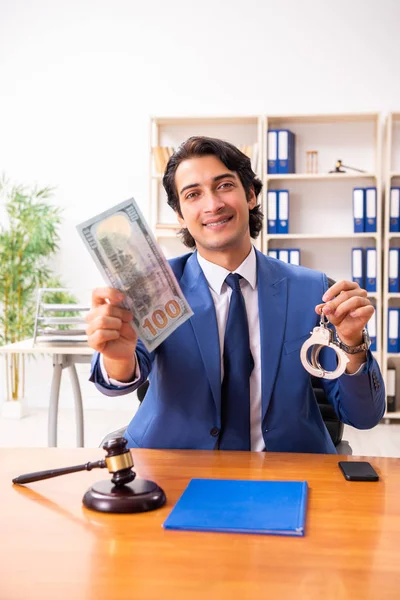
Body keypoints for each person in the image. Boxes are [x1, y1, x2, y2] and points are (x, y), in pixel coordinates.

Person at [86, 136, 385, 453]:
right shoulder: (154, 287)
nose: (212, 204)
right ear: (179, 215)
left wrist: (353, 345)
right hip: (172, 463)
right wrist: (118, 358)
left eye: (224, 186)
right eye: (193, 194)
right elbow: (118, 380)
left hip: (286, 469)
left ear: (251, 195)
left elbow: (363, 416)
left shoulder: (313, 291)